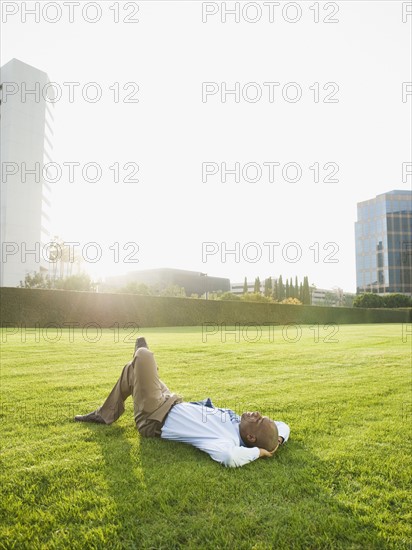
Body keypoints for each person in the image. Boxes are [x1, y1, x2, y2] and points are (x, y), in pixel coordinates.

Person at [75, 338, 290, 468]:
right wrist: (277, 440)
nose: (257, 413)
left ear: (251, 437)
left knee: (143, 354)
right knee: (132, 370)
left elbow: (228, 457)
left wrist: (260, 452)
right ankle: (106, 413)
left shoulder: (226, 441)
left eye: (258, 419)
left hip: (154, 417)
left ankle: (135, 369)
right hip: (170, 401)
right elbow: (283, 425)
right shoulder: (239, 427)